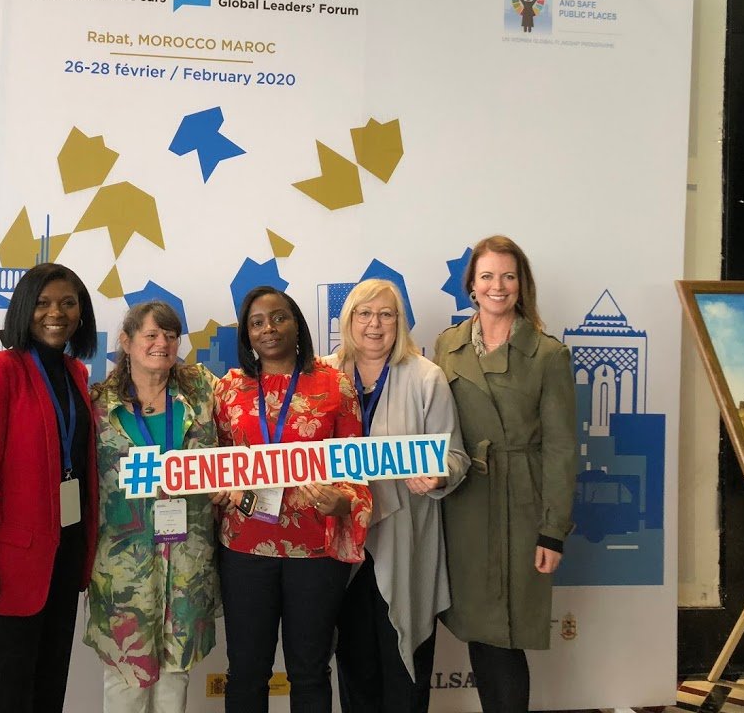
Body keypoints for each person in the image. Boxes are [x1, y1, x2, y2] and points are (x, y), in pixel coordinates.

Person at [433, 236, 577, 713]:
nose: (498, 286)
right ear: (471, 286)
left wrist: (552, 530)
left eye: (509, 276)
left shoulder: (549, 354)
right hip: (464, 504)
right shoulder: (447, 345)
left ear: (522, 284)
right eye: (488, 276)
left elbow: (560, 447)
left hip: (521, 506)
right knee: (480, 627)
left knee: (506, 633)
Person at [0, 262, 99, 713]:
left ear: (81, 313)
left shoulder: (76, 374)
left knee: (50, 690)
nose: (56, 313)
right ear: (24, 309)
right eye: (43, 303)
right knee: (9, 695)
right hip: (8, 560)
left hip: (65, 553)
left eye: (68, 303)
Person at [213, 286, 371, 713]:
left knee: (309, 671)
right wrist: (219, 490)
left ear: (297, 325)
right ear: (247, 335)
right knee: (246, 671)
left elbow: (355, 466)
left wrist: (344, 501)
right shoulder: (227, 389)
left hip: (315, 552)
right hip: (245, 549)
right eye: (257, 322)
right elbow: (215, 462)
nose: (269, 328)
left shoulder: (335, 383)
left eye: (279, 317)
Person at [325, 279, 469, 713]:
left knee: (403, 664)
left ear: (400, 322)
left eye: (386, 314)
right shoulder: (322, 375)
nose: (375, 324)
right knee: (354, 661)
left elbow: (455, 456)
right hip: (342, 542)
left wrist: (439, 476)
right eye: (364, 314)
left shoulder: (426, 376)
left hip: (405, 539)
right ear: (348, 320)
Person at [84, 301, 219, 712]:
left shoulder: (203, 391)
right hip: (123, 569)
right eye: (151, 335)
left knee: (175, 679)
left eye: (171, 335)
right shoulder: (97, 405)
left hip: (187, 563)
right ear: (126, 342)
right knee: (125, 682)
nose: (163, 343)